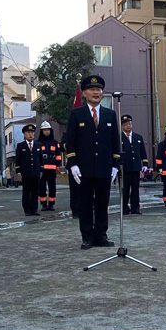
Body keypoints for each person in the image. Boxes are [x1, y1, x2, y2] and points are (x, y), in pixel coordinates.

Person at [64, 74, 120, 250]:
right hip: (84, 168)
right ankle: (87, 237)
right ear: (85, 93)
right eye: (92, 89)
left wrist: (115, 165)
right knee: (86, 204)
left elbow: (114, 142)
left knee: (103, 203)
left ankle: (101, 235)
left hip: (104, 168)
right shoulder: (76, 114)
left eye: (99, 89)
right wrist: (72, 163)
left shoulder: (110, 115)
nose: (96, 92)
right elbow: (70, 141)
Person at [120, 114, 148, 215]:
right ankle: (124, 208)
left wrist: (145, 164)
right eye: (126, 124)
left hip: (136, 167)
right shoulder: (119, 138)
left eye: (130, 124)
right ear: (122, 126)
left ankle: (135, 208)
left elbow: (142, 152)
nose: (128, 126)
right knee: (125, 189)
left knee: (135, 189)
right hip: (125, 168)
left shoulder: (138, 137)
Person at [15, 124, 41, 216]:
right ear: (24, 134)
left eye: (32, 132)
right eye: (28, 132)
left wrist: (41, 170)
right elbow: (17, 160)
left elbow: (40, 159)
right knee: (26, 192)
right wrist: (18, 172)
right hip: (25, 173)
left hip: (35, 172)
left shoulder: (38, 145)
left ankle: (35, 209)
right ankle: (27, 210)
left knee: (35, 192)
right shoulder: (20, 146)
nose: (30, 134)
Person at [37, 121, 62, 211]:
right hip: (41, 170)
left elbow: (58, 155)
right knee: (41, 188)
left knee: (52, 188)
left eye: (48, 130)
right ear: (41, 131)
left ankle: (51, 204)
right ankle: (43, 204)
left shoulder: (55, 143)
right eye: (45, 130)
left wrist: (58, 166)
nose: (46, 132)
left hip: (52, 169)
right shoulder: (38, 143)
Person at [61, 132, 79, 218]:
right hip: (73, 164)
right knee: (74, 190)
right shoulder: (68, 133)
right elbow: (62, 146)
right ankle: (75, 211)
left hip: (87, 164)